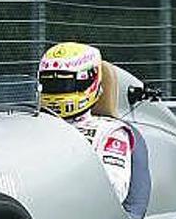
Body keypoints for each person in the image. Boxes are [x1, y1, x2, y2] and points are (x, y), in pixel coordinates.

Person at [38, 42, 134, 206]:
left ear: (88, 80)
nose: (57, 91)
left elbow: (114, 192)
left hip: (74, 213)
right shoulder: (34, 125)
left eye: (64, 84)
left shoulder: (110, 132)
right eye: (50, 84)